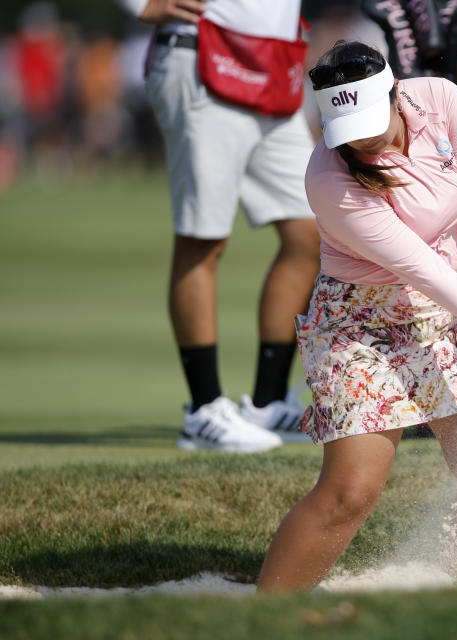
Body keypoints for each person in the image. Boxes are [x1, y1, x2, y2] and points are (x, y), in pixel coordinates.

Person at [256, 40, 457, 593]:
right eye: (347, 128)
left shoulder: (442, 100)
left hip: (447, 317)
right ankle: (268, 617)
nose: (363, 141)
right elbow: (424, 271)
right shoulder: (328, 178)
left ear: (397, 94)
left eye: (370, 121)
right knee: (352, 491)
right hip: (359, 330)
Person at [117, 0, 323, 451]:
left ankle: (268, 402)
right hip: (201, 56)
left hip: (272, 64)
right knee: (204, 239)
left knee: (312, 233)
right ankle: (204, 410)